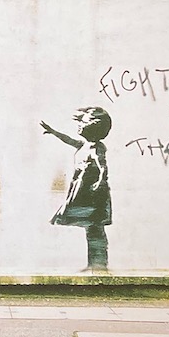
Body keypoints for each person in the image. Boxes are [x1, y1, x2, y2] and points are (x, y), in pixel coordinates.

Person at [40, 106, 113, 270]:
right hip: (83, 189)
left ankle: (99, 264)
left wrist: (100, 182)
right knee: (92, 227)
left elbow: (103, 166)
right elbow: (69, 140)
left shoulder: (95, 147)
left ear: (93, 127)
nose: (79, 125)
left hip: (92, 192)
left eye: (83, 122)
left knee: (95, 227)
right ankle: (95, 264)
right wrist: (53, 132)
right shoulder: (84, 145)